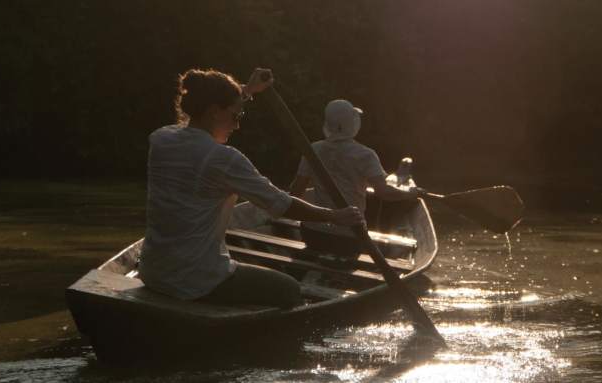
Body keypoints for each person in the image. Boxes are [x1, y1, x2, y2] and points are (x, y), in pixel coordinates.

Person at [138, 68, 363, 309]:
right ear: (214, 112)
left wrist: (247, 91)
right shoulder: (223, 159)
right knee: (288, 289)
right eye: (236, 116)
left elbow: (199, 118)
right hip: (197, 280)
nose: (237, 126)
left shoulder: (161, 139)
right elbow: (281, 204)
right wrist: (334, 216)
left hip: (152, 271)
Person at [288, 99, 419, 256]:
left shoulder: (312, 149)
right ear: (352, 124)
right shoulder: (365, 155)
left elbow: (295, 192)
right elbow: (384, 193)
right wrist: (411, 193)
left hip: (313, 234)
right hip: (349, 237)